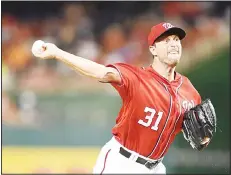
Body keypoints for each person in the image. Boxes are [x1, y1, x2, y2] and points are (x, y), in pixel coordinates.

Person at [32, 22, 203, 174]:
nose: (173, 44)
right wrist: (57, 53)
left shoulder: (189, 91)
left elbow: (197, 133)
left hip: (157, 167)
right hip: (122, 163)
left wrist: (203, 137)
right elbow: (101, 72)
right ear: (153, 49)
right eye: (166, 41)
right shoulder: (137, 78)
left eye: (176, 40)